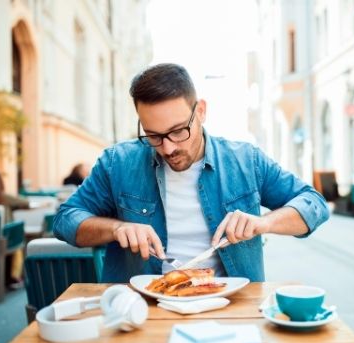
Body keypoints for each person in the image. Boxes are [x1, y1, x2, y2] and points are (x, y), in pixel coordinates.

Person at [54, 63, 329, 283]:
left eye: (177, 131)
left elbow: (314, 203)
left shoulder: (246, 160)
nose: (168, 148)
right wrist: (117, 228)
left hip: (230, 307)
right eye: (153, 136)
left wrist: (265, 223)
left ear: (201, 111)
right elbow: (65, 220)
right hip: (141, 310)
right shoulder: (118, 162)